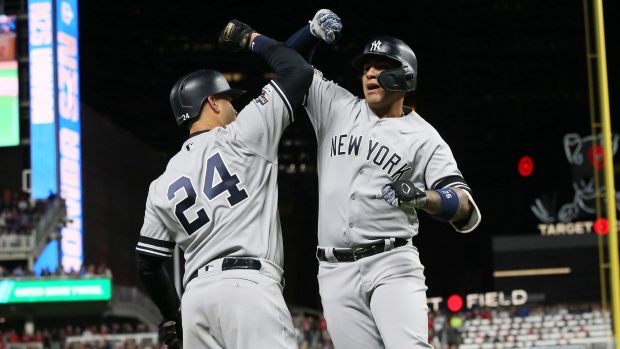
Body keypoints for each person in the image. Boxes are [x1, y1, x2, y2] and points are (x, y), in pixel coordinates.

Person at [285, 10, 482, 349]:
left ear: (406, 78)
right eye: (366, 68)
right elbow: (290, 64)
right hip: (334, 270)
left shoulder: (423, 136)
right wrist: (312, 32)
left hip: (391, 263)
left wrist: (423, 198)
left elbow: (463, 205)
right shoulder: (336, 106)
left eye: (382, 66)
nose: (370, 73)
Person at [135, 19, 317, 348]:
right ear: (213, 103)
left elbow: (148, 263)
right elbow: (298, 72)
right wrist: (250, 38)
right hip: (248, 289)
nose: (235, 106)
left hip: (196, 304)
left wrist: (174, 315)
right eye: (229, 99)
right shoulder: (242, 135)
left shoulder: (162, 182)